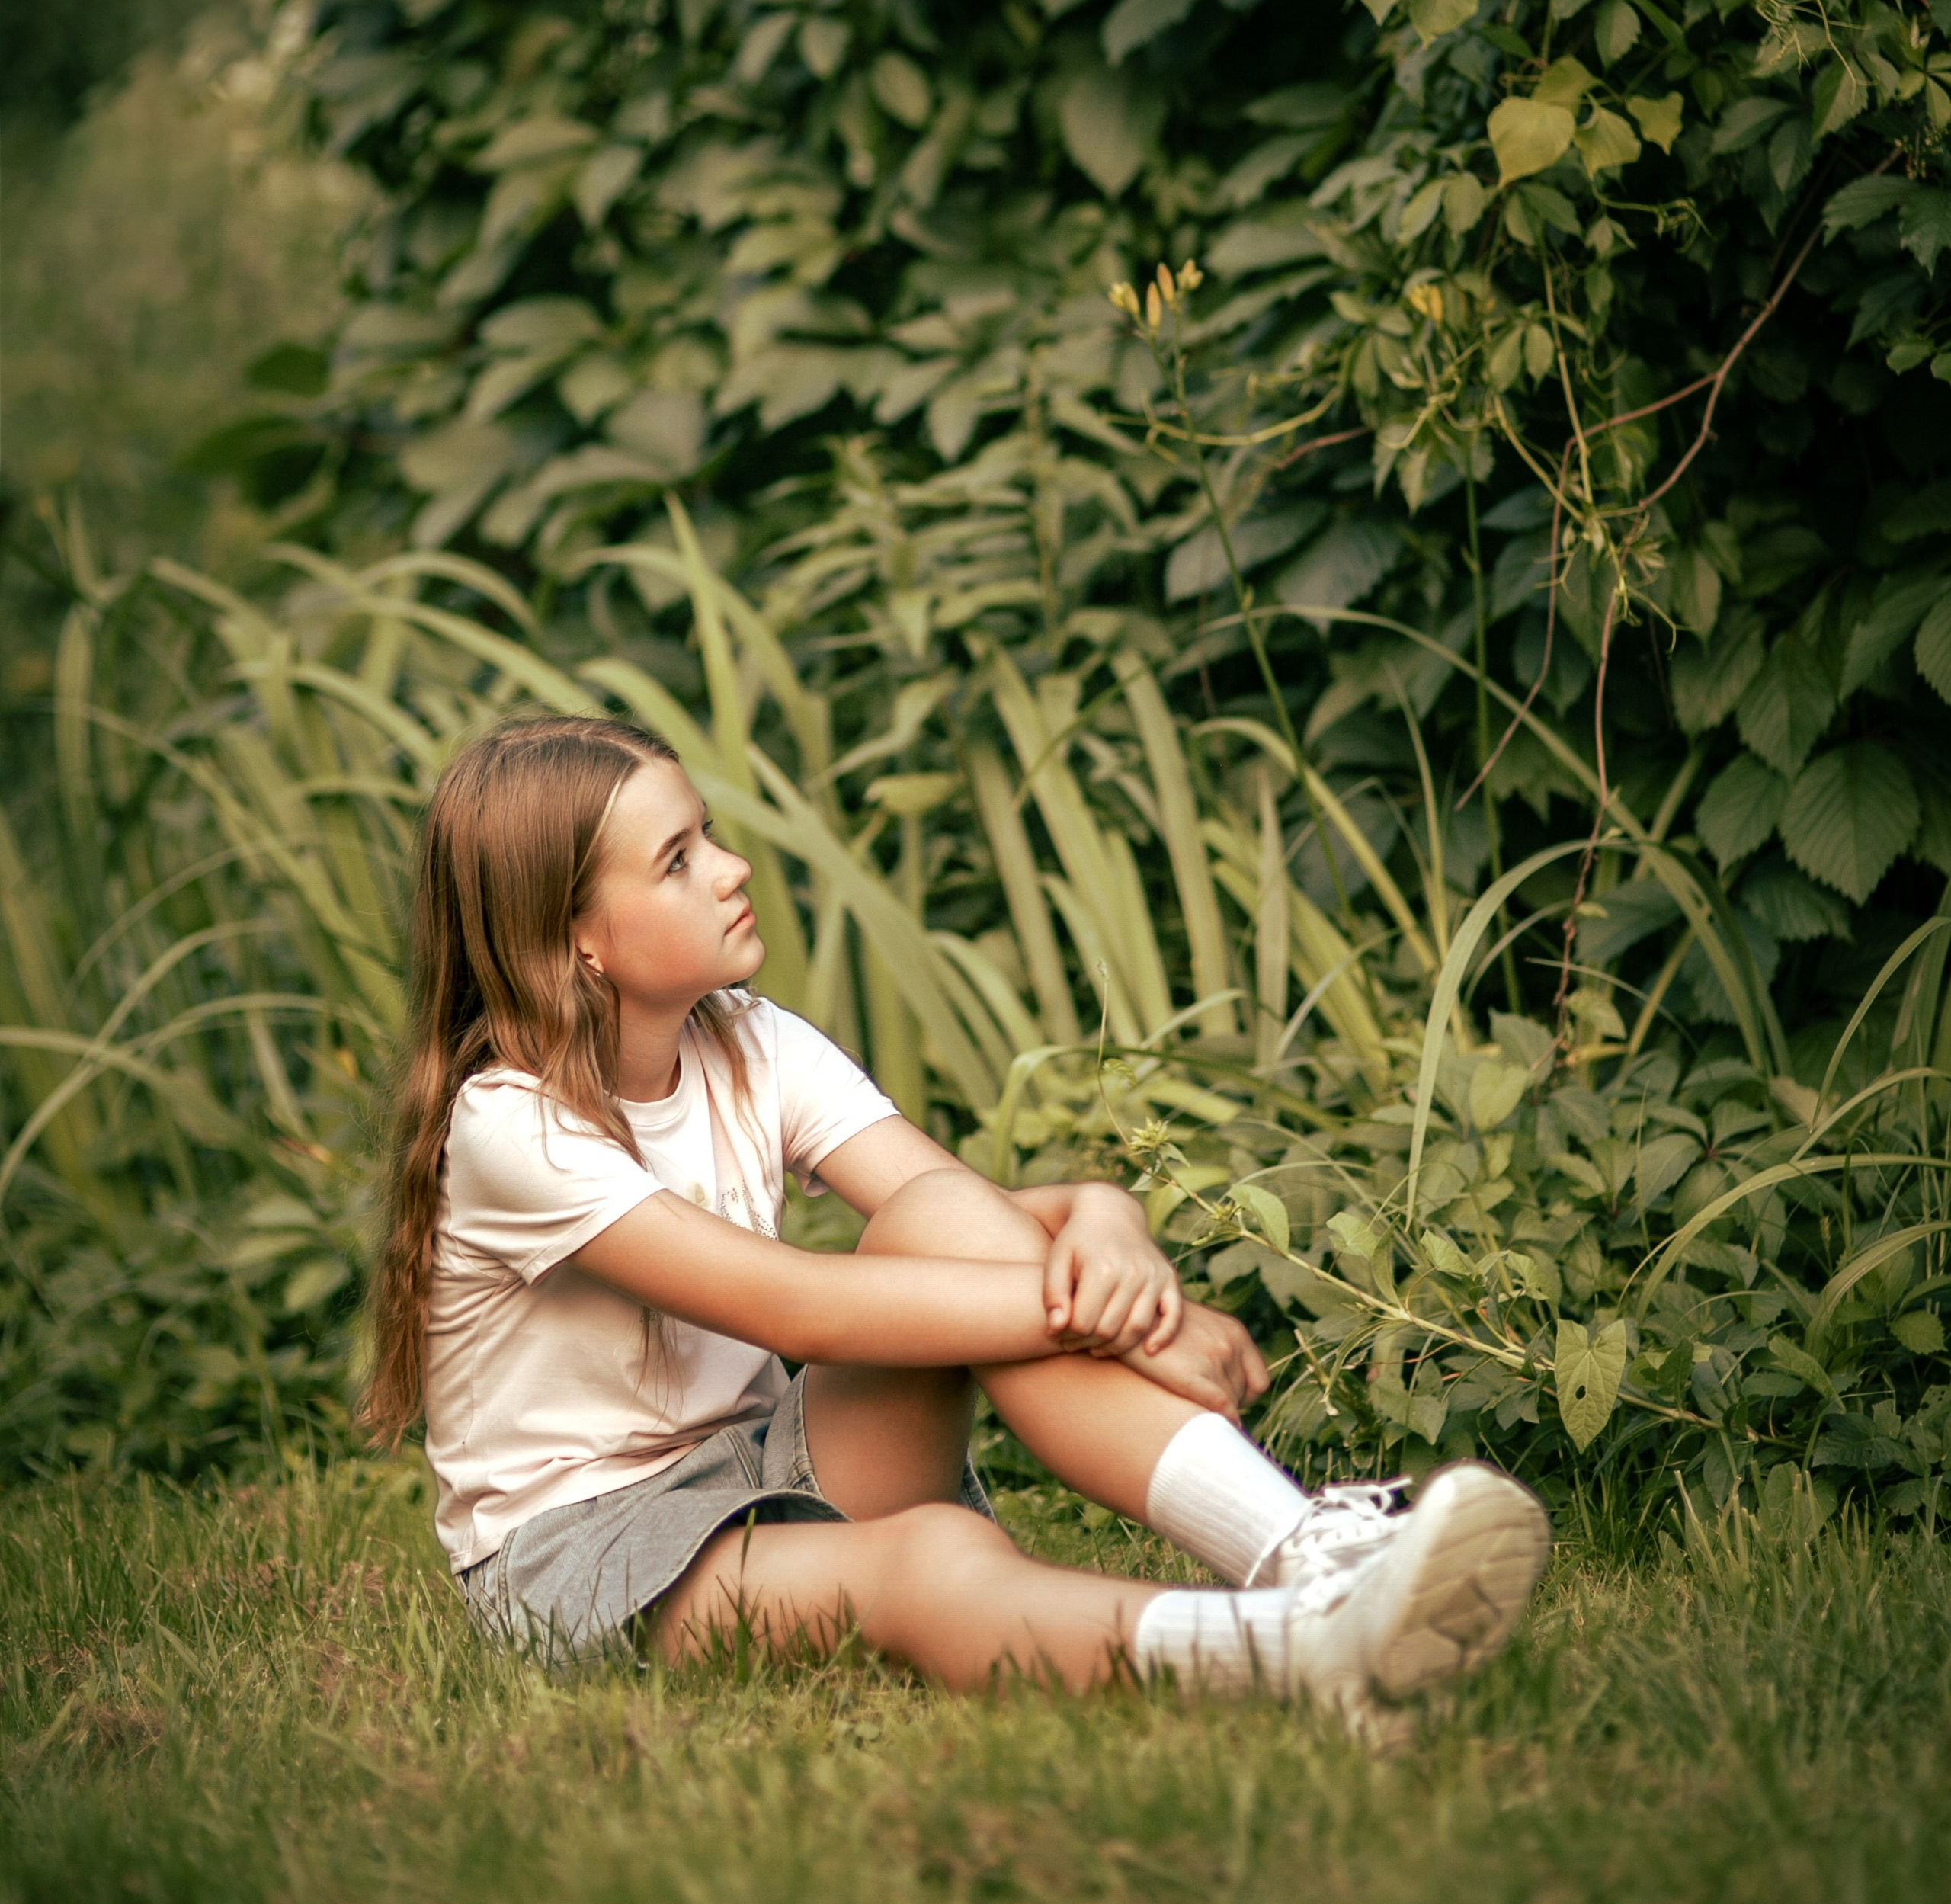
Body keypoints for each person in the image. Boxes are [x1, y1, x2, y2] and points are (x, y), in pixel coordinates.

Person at [364, 716, 1549, 1713]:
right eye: (678, 861)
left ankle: (1299, 1549)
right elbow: (800, 1306)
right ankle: (1310, 1652)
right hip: (587, 1555)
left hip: (763, 1463)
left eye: (708, 833)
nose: (731, 868)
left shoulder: (750, 1042)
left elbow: (958, 1216)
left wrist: (1105, 1217)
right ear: (576, 942)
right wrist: (1122, 1322)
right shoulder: (511, 1128)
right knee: (932, 1561)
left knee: (941, 1217)